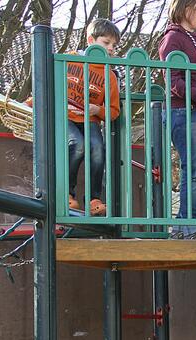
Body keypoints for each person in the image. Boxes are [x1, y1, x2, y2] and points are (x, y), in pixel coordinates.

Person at [159, 0, 196, 239]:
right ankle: (191, 227)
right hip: (181, 111)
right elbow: (173, 80)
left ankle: (183, 227)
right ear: (186, 9)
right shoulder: (173, 39)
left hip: (195, 112)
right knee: (195, 168)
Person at [64, 18, 121, 216]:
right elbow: (48, 84)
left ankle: (93, 199)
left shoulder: (109, 74)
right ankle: (67, 193)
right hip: (66, 117)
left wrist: (98, 110)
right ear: (90, 40)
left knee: (97, 149)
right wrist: (29, 103)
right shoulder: (69, 60)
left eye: (114, 45)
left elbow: (114, 111)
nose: (111, 48)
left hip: (90, 120)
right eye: (106, 43)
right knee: (77, 144)